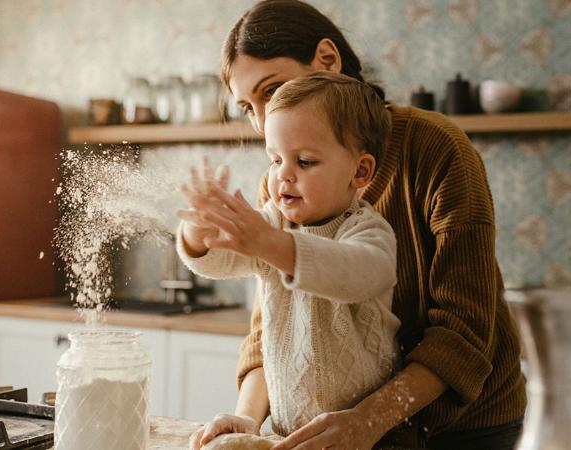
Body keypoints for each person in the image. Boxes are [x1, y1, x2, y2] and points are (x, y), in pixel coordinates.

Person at [194, 1, 527, 449]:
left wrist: (370, 420)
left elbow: (464, 326)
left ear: (328, 61)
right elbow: (270, 325)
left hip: (463, 426)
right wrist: (246, 416)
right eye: (247, 107)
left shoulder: (436, 148)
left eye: (270, 92)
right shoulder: (280, 185)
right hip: (341, 431)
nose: (260, 122)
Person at [177, 72, 402, 440]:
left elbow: (354, 273)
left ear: (360, 171)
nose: (283, 175)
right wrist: (199, 234)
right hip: (284, 434)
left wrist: (269, 243)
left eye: (305, 162)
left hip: (361, 439)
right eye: (275, 159)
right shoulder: (274, 225)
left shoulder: (369, 232)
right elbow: (221, 259)